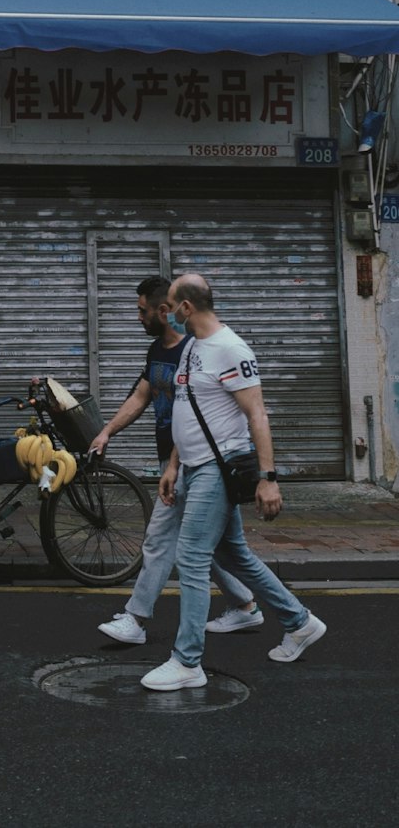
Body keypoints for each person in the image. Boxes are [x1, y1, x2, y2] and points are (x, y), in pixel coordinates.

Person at [140, 273, 326, 692]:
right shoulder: (192, 349)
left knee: (190, 557)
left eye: (171, 304)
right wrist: (172, 466)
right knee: (235, 555)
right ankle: (300, 622)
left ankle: (187, 661)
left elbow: (257, 414)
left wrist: (268, 479)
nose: (166, 311)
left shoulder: (230, 349)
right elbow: (187, 411)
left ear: (187, 308)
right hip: (191, 466)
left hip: (217, 468)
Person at [93, 276, 261, 646]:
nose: (138, 317)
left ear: (165, 311)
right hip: (180, 463)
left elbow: (248, 411)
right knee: (213, 548)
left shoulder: (198, 348)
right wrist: (107, 432)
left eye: (142, 311)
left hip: (202, 463)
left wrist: (268, 476)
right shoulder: (159, 351)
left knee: (161, 540)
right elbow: (141, 397)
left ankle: (137, 620)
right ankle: (252, 607)